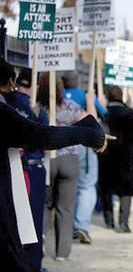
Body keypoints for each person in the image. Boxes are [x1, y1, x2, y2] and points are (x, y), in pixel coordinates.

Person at [0, 66, 110, 272]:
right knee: (61, 209)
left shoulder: (26, 105)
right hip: (48, 164)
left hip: (46, 164)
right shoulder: (12, 110)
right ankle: (59, 252)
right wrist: (88, 132)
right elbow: (42, 135)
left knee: (47, 209)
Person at [40, 72, 100, 260]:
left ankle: (39, 243)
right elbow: (92, 122)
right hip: (69, 160)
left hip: (46, 159)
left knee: (44, 205)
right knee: (65, 208)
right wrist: (91, 101)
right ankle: (62, 253)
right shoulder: (72, 107)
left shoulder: (36, 107)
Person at [3, 68, 49, 272]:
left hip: (19, 168)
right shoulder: (22, 107)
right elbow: (44, 138)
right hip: (25, 169)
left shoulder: (11, 103)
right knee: (28, 224)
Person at [61, 71, 106, 245]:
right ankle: (81, 225)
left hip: (61, 144)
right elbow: (100, 116)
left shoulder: (56, 95)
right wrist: (97, 103)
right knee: (87, 185)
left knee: (68, 186)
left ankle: (70, 225)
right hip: (83, 143)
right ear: (78, 81)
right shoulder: (86, 96)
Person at [99, 86, 133, 233]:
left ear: (107, 97)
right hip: (126, 157)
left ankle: (109, 220)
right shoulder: (132, 114)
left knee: (106, 189)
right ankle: (124, 222)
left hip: (106, 157)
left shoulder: (105, 115)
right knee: (126, 190)